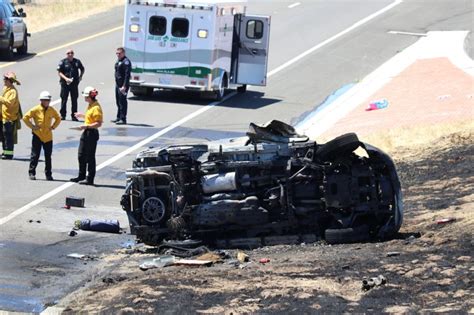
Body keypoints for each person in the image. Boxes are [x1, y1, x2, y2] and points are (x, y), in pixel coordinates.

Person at [23, 91, 61, 181]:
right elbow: (25, 117)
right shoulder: (36, 109)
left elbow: (58, 118)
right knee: (35, 155)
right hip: (37, 135)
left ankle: (48, 174)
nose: (47, 102)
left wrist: (53, 127)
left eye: (48, 100)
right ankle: (31, 172)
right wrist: (32, 126)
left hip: (48, 137)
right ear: (41, 100)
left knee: (48, 157)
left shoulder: (51, 110)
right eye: (45, 100)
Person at [70, 86, 103, 186]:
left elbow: (98, 123)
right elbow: (90, 117)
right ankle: (81, 175)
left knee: (90, 157)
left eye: (86, 96)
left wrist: (86, 126)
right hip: (86, 131)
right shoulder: (90, 105)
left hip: (91, 133)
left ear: (90, 97)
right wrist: (82, 116)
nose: (84, 98)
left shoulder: (96, 107)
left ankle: (90, 178)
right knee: (81, 155)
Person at [57, 49, 85, 121]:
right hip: (65, 84)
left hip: (74, 84)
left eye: (72, 53)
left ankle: (74, 115)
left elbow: (82, 69)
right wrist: (66, 79)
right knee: (64, 99)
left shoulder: (77, 61)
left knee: (74, 100)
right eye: (68, 53)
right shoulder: (63, 62)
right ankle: (63, 115)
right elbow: (59, 72)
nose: (70, 54)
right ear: (66, 54)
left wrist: (80, 76)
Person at [0, 72, 21, 160]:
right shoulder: (6, 88)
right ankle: (5, 152)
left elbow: (9, 103)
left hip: (9, 118)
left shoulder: (12, 91)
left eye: (5, 79)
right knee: (3, 136)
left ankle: (9, 154)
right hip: (3, 117)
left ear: (9, 81)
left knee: (8, 136)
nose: (3, 81)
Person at [112, 47, 131, 125]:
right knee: (118, 101)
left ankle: (123, 119)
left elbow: (127, 75)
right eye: (117, 53)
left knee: (122, 102)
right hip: (118, 84)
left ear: (123, 53)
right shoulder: (119, 60)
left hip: (123, 85)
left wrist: (124, 86)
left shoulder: (126, 62)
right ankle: (118, 117)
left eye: (119, 53)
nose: (118, 55)